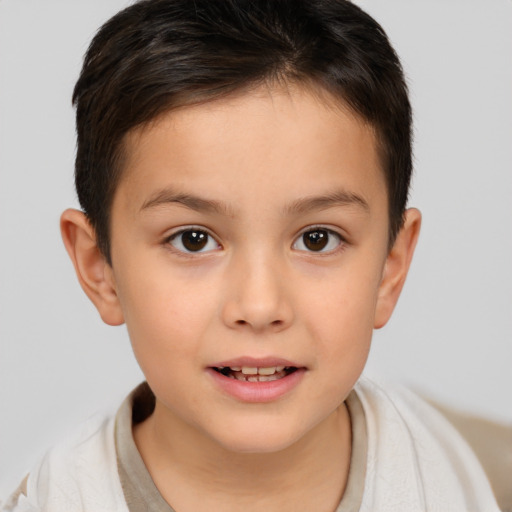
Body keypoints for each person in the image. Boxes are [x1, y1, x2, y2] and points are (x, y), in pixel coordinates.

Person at [1, 1, 501, 511]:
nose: (260, 306)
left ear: (390, 270)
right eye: (192, 239)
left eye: (317, 239)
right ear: (98, 267)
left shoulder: (480, 473)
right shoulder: (56, 498)